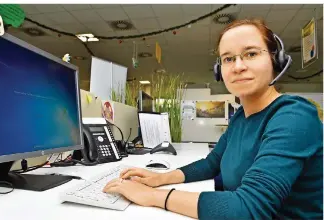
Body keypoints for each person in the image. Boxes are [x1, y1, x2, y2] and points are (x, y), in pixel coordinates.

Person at [103, 18, 323, 219]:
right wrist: (158, 178)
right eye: (228, 59)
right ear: (220, 70)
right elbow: (212, 163)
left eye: (251, 54)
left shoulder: (294, 117)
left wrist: (153, 196)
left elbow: (247, 209)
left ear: (276, 61)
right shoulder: (240, 118)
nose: (238, 66)